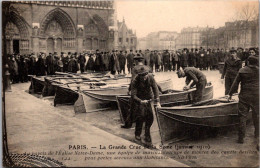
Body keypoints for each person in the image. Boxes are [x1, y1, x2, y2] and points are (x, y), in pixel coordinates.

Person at [228, 56, 259, 148]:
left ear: (248, 62)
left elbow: (235, 83)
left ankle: (241, 137)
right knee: (257, 115)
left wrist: (230, 94)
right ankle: (257, 134)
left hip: (244, 96)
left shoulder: (242, 70)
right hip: (257, 95)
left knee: (242, 116)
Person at [131, 65, 161, 142]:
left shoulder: (150, 77)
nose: (144, 77)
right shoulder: (135, 81)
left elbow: (155, 89)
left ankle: (147, 135)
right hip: (139, 99)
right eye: (142, 76)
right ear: (139, 76)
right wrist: (140, 101)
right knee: (140, 116)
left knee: (150, 117)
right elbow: (133, 95)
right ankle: (137, 134)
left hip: (149, 98)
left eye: (146, 75)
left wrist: (157, 101)